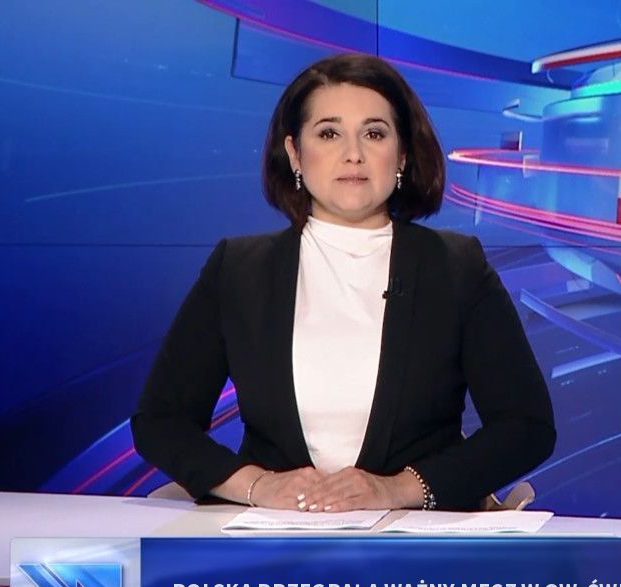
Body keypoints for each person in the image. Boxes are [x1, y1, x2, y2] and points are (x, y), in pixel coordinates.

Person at [131, 53, 555, 511]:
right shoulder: (238, 269)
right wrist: (257, 485)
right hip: (271, 541)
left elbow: (525, 427)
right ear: (295, 153)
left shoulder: (456, 267)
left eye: (374, 133)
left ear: (402, 154)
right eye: (329, 133)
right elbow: (161, 421)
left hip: (417, 541)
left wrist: (397, 489)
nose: (353, 153)